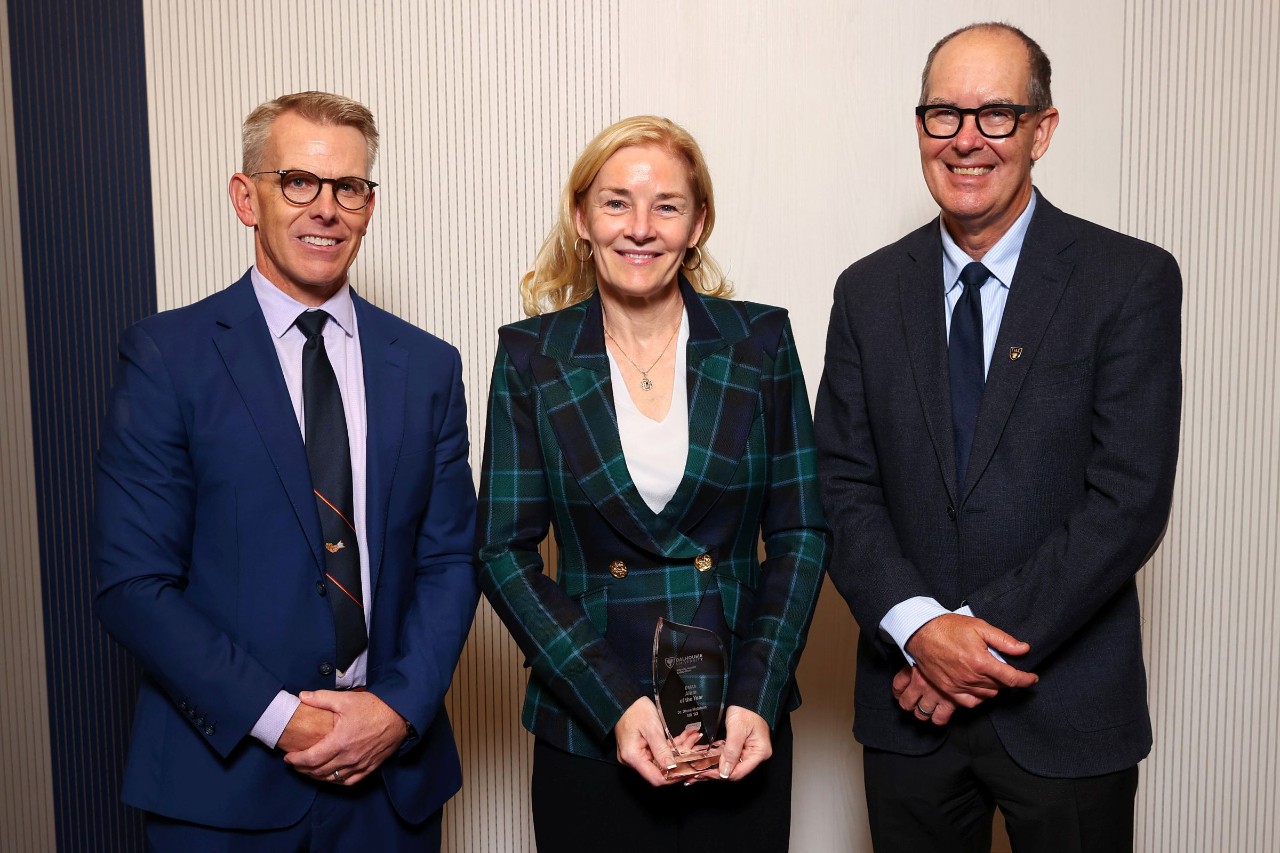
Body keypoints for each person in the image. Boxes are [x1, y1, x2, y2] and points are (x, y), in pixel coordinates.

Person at [814, 23, 1182, 853]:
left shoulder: (1128, 280)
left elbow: (1128, 500)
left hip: (1067, 708)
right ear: (920, 129)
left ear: (1042, 129)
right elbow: (840, 486)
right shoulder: (867, 292)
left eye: (997, 114)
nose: (967, 139)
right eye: (944, 114)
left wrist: (963, 642)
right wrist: (917, 627)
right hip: (906, 713)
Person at [93, 91, 479, 851]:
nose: (326, 208)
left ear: (369, 204)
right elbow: (134, 584)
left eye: (349, 188)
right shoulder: (168, 358)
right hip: (222, 789)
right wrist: (283, 718)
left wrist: (396, 711)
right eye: (298, 181)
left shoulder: (428, 367)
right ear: (247, 197)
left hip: (391, 788)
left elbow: (450, 560)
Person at [476, 115, 829, 852]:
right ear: (581, 217)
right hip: (589, 716)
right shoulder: (530, 356)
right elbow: (502, 551)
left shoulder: (760, 342)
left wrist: (758, 694)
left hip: (737, 720)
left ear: (698, 223)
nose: (640, 228)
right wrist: (614, 704)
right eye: (616, 203)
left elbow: (801, 532)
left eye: (667, 205)